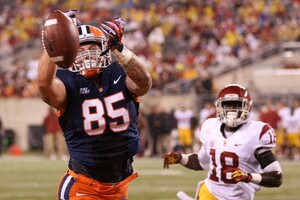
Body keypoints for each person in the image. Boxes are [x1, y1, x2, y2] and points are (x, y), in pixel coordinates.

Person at [37, 12, 152, 200]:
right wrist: (55, 41)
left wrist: (119, 49)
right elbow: (43, 84)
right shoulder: (67, 83)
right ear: (70, 53)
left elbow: (144, 83)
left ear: (105, 49)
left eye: (92, 47)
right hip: (83, 185)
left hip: (119, 186)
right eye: (80, 50)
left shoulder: (119, 72)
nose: (87, 53)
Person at [162, 84, 282, 200]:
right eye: (227, 105)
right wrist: (180, 158)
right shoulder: (210, 127)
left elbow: (276, 177)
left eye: (236, 105)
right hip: (210, 192)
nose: (231, 110)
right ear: (219, 107)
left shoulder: (256, 133)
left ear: (247, 107)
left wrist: (249, 177)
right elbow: (200, 162)